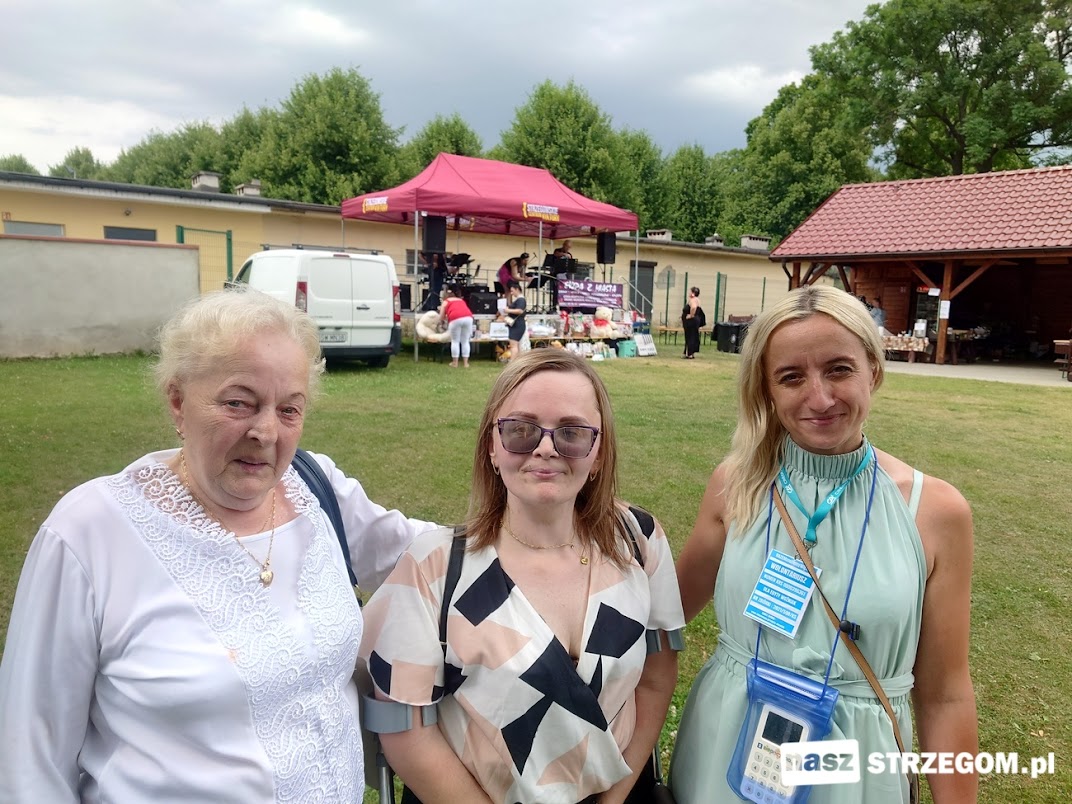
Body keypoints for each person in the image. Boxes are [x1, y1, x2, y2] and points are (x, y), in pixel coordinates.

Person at [0, 286, 437, 802]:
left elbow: (433, 553)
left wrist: (545, 518)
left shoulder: (316, 489)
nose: (266, 432)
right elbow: (31, 754)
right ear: (179, 401)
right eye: (238, 403)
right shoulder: (90, 532)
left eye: (290, 410)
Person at [669, 285, 978, 803]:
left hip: (857, 771)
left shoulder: (935, 513)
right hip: (724, 753)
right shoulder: (736, 485)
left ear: (873, 370)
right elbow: (662, 616)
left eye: (839, 369)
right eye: (791, 377)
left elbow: (945, 695)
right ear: (766, 391)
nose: (820, 398)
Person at [358, 349, 685, 804]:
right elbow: (404, 729)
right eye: (520, 430)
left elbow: (656, 675)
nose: (545, 447)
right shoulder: (435, 566)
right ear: (491, 446)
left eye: (571, 432)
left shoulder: (638, 538)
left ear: (599, 449)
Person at [439, 283, 474, 368]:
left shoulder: (446, 302)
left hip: (455, 318)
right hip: (468, 317)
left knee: (455, 341)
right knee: (465, 341)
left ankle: (455, 363)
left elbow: (441, 316)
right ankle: (466, 363)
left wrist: (442, 322)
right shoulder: (461, 300)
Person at [502, 279, 528, 361]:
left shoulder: (521, 300)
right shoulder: (519, 300)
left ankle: (512, 362)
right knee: (515, 345)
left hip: (517, 324)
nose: (512, 293)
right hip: (515, 324)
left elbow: (520, 310)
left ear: (517, 289)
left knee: (514, 345)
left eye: (512, 291)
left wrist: (508, 310)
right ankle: (517, 361)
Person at [680, 286, 705, 359]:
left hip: (691, 321)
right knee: (693, 336)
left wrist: (691, 315)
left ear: (693, 293)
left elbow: (693, 307)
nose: (689, 293)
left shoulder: (693, 300)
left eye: (690, 291)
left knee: (689, 336)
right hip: (695, 321)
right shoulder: (697, 300)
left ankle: (689, 353)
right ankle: (691, 353)